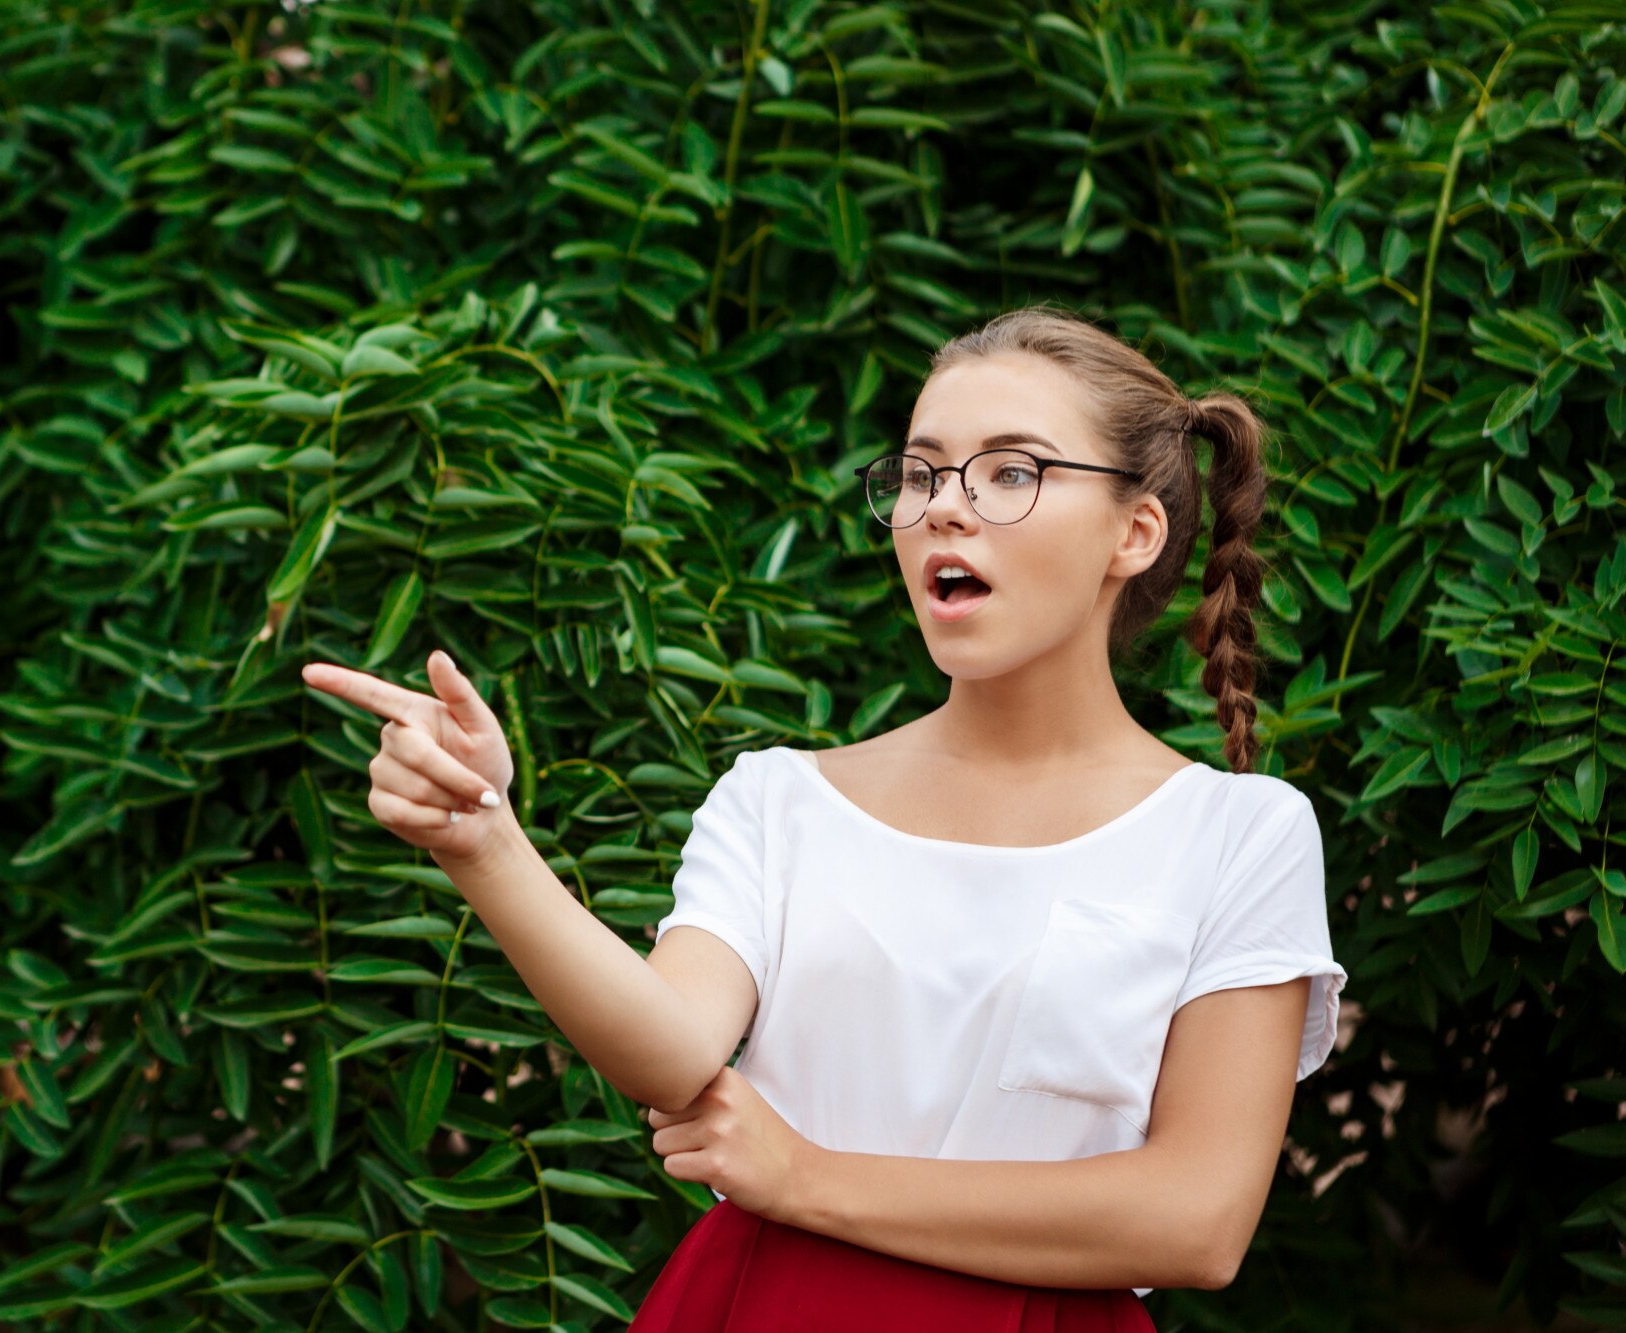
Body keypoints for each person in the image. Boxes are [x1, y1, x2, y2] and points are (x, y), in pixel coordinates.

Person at [299, 303, 1349, 1331]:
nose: (943, 507)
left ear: (1134, 531)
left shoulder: (1238, 834)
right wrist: (484, 839)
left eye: (1010, 471)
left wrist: (804, 1174)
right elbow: (670, 1052)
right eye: (921, 473)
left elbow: (1196, 1221)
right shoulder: (777, 800)